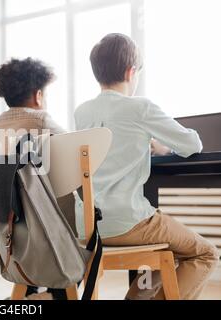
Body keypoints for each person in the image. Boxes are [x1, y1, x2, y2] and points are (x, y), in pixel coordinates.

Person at [74, 33, 219, 300]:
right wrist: (157, 143)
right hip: (128, 222)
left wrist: (145, 143)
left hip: (86, 226)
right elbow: (192, 144)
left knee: (167, 243)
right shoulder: (140, 107)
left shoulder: (82, 112)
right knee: (206, 253)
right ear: (131, 72)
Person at [0, 57, 67, 300]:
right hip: (46, 221)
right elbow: (76, 149)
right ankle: (55, 293)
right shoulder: (42, 120)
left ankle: (32, 291)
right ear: (38, 95)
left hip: (10, 221)